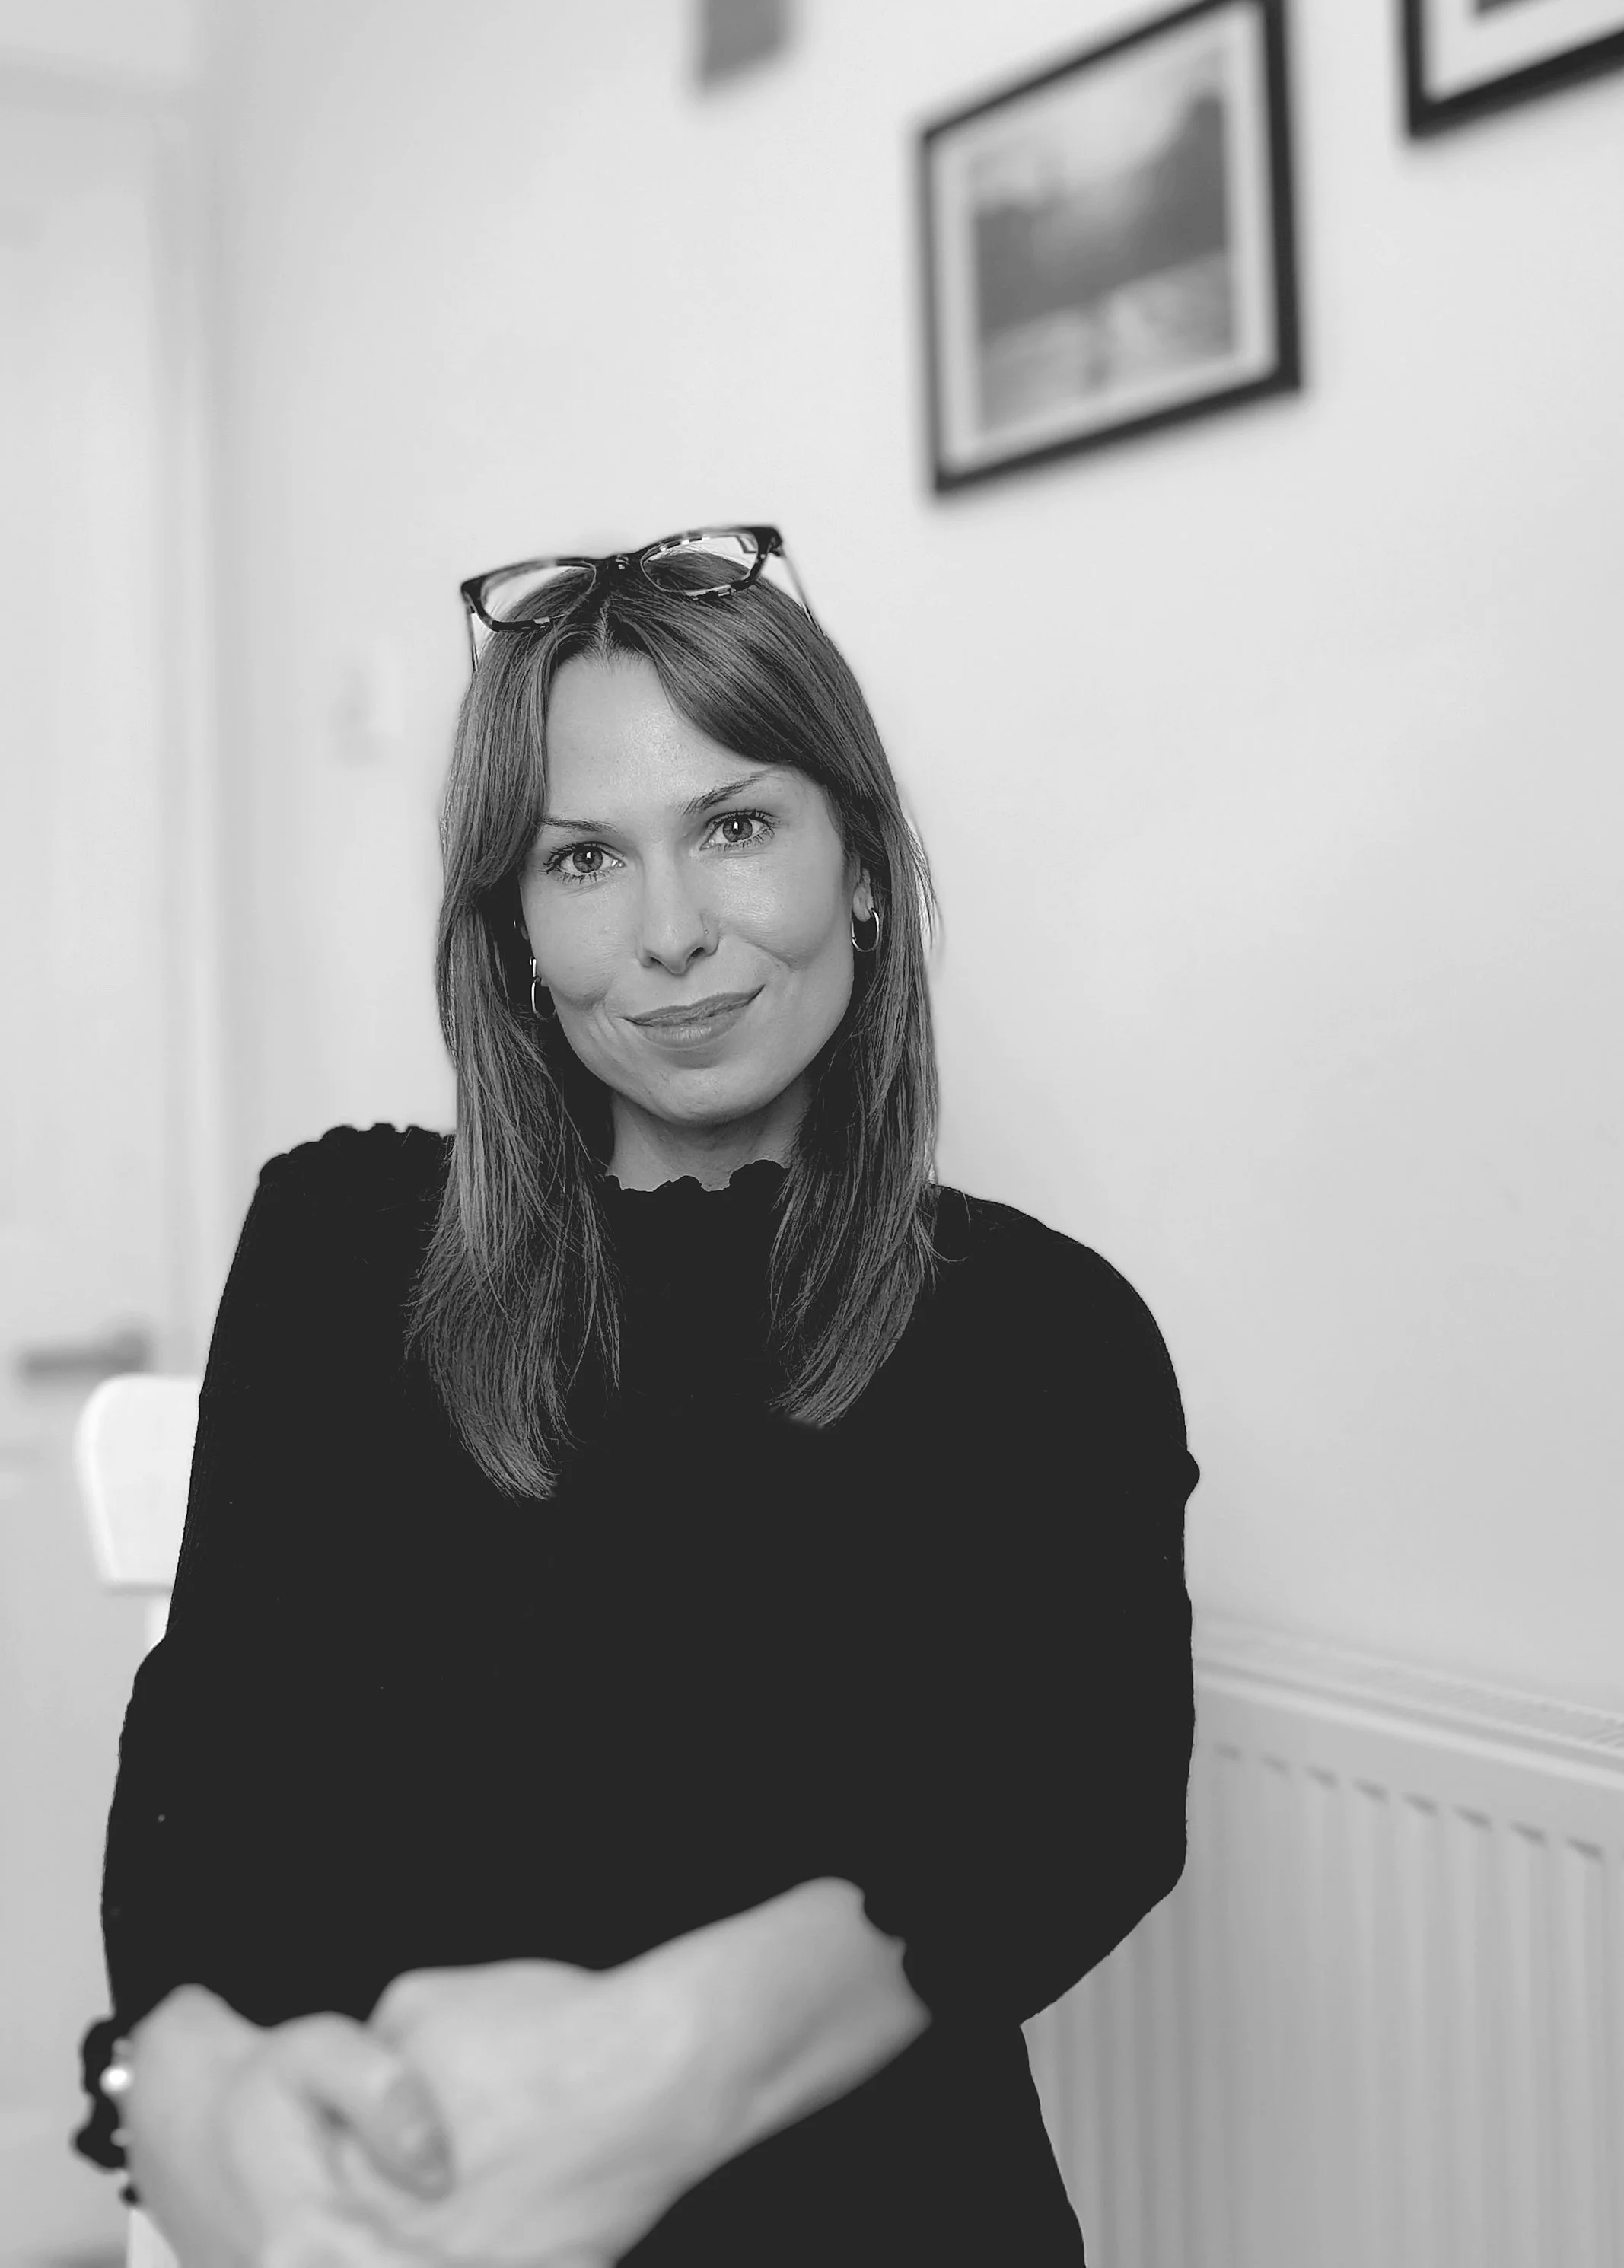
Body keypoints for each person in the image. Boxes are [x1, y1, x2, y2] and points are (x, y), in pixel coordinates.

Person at [75, 526, 1201, 2268]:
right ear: (515, 926)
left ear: (859, 868)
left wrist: (651, 2071)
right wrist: (187, 2081)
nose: (671, 934)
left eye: (735, 826)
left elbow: (1077, 1807)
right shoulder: (339, 1243)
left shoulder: (1038, 1328)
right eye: (584, 857)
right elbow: (212, 1755)